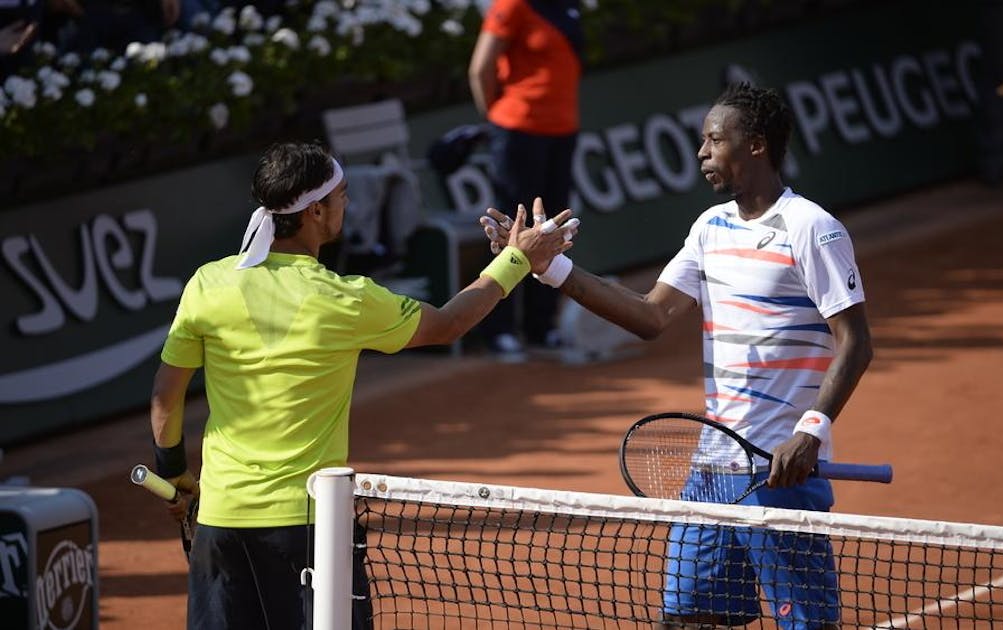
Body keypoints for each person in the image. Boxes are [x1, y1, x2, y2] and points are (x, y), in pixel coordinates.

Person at [482, 84, 873, 629]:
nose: (702, 153)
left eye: (715, 139)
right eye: (702, 141)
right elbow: (651, 316)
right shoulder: (709, 228)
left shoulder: (812, 229)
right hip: (712, 471)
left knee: (806, 625)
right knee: (686, 618)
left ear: (756, 145)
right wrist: (549, 269)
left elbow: (855, 341)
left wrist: (810, 431)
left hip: (781, 473)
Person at [149, 141, 573, 630]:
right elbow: (449, 324)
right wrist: (515, 260)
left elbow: (166, 395)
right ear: (315, 211)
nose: (347, 205)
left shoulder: (208, 283)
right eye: (343, 195)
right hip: (309, 529)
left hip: (220, 524)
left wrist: (175, 473)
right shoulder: (344, 300)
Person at [468, 0, 582, 360]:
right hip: (517, 132)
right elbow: (480, 69)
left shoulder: (569, 6)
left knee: (550, 230)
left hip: (562, 131)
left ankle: (540, 325)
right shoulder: (512, 4)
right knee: (510, 230)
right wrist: (497, 122)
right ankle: (498, 327)